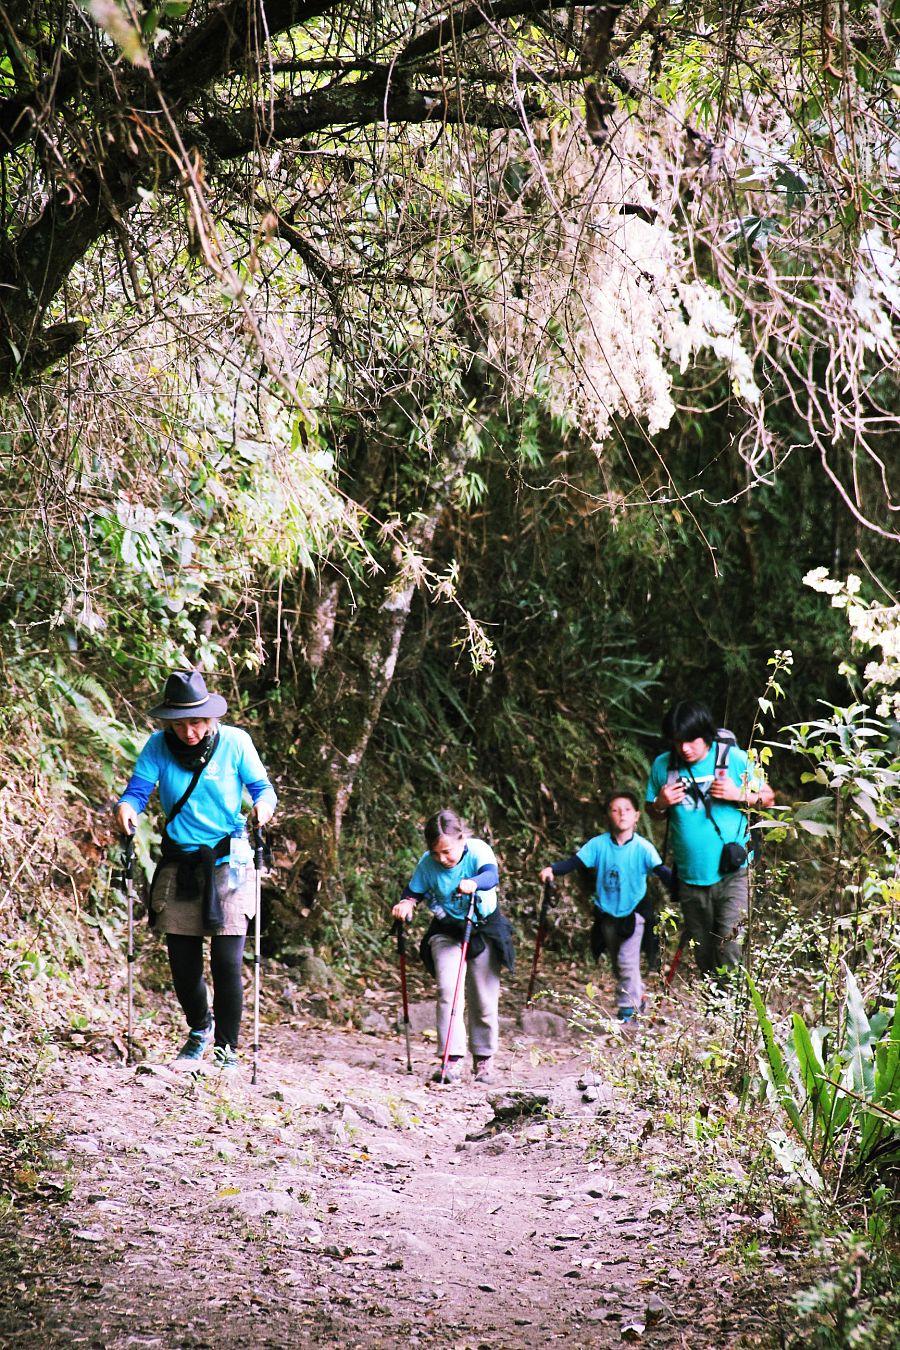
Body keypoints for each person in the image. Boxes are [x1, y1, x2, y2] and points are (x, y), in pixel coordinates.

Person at [115, 670, 276, 1071]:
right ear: (169, 721)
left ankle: (227, 1049)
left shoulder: (235, 743)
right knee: (183, 965)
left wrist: (263, 808)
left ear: (210, 718)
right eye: (181, 724)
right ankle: (200, 1029)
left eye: (197, 723)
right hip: (181, 861)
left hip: (230, 861)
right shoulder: (157, 746)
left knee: (226, 961)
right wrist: (127, 808)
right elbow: (137, 791)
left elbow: (263, 790)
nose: (189, 732)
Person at [644, 700, 768, 975]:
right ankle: (715, 1013)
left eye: (690, 741)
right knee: (704, 953)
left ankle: (735, 1012)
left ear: (706, 735)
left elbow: (768, 798)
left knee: (730, 947)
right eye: (678, 742)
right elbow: (652, 811)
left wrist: (738, 794)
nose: (684, 748)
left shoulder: (734, 759)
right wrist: (661, 803)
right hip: (690, 876)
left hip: (735, 871)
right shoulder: (664, 766)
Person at [391, 810, 514, 1085]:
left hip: (483, 928)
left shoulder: (478, 851)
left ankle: (483, 1059)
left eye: (446, 852)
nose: (442, 859)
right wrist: (406, 904)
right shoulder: (428, 863)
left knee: (483, 997)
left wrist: (473, 883)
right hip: (447, 931)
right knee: (449, 990)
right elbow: (414, 891)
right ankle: (451, 1059)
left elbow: (490, 876)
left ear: (462, 839)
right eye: (436, 853)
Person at [539, 790, 672, 1022]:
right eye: (615, 809)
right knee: (618, 964)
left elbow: (661, 871)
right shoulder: (598, 845)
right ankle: (639, 997)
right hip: (608, 914)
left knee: (626, 960)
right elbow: (575, 862)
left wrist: (682, 884)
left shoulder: (643, 847)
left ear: (637, 816)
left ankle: (627, 1012)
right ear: (608, 816)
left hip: (635, 913)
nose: (621, 814)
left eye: (627, 810)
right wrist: (552, 869)